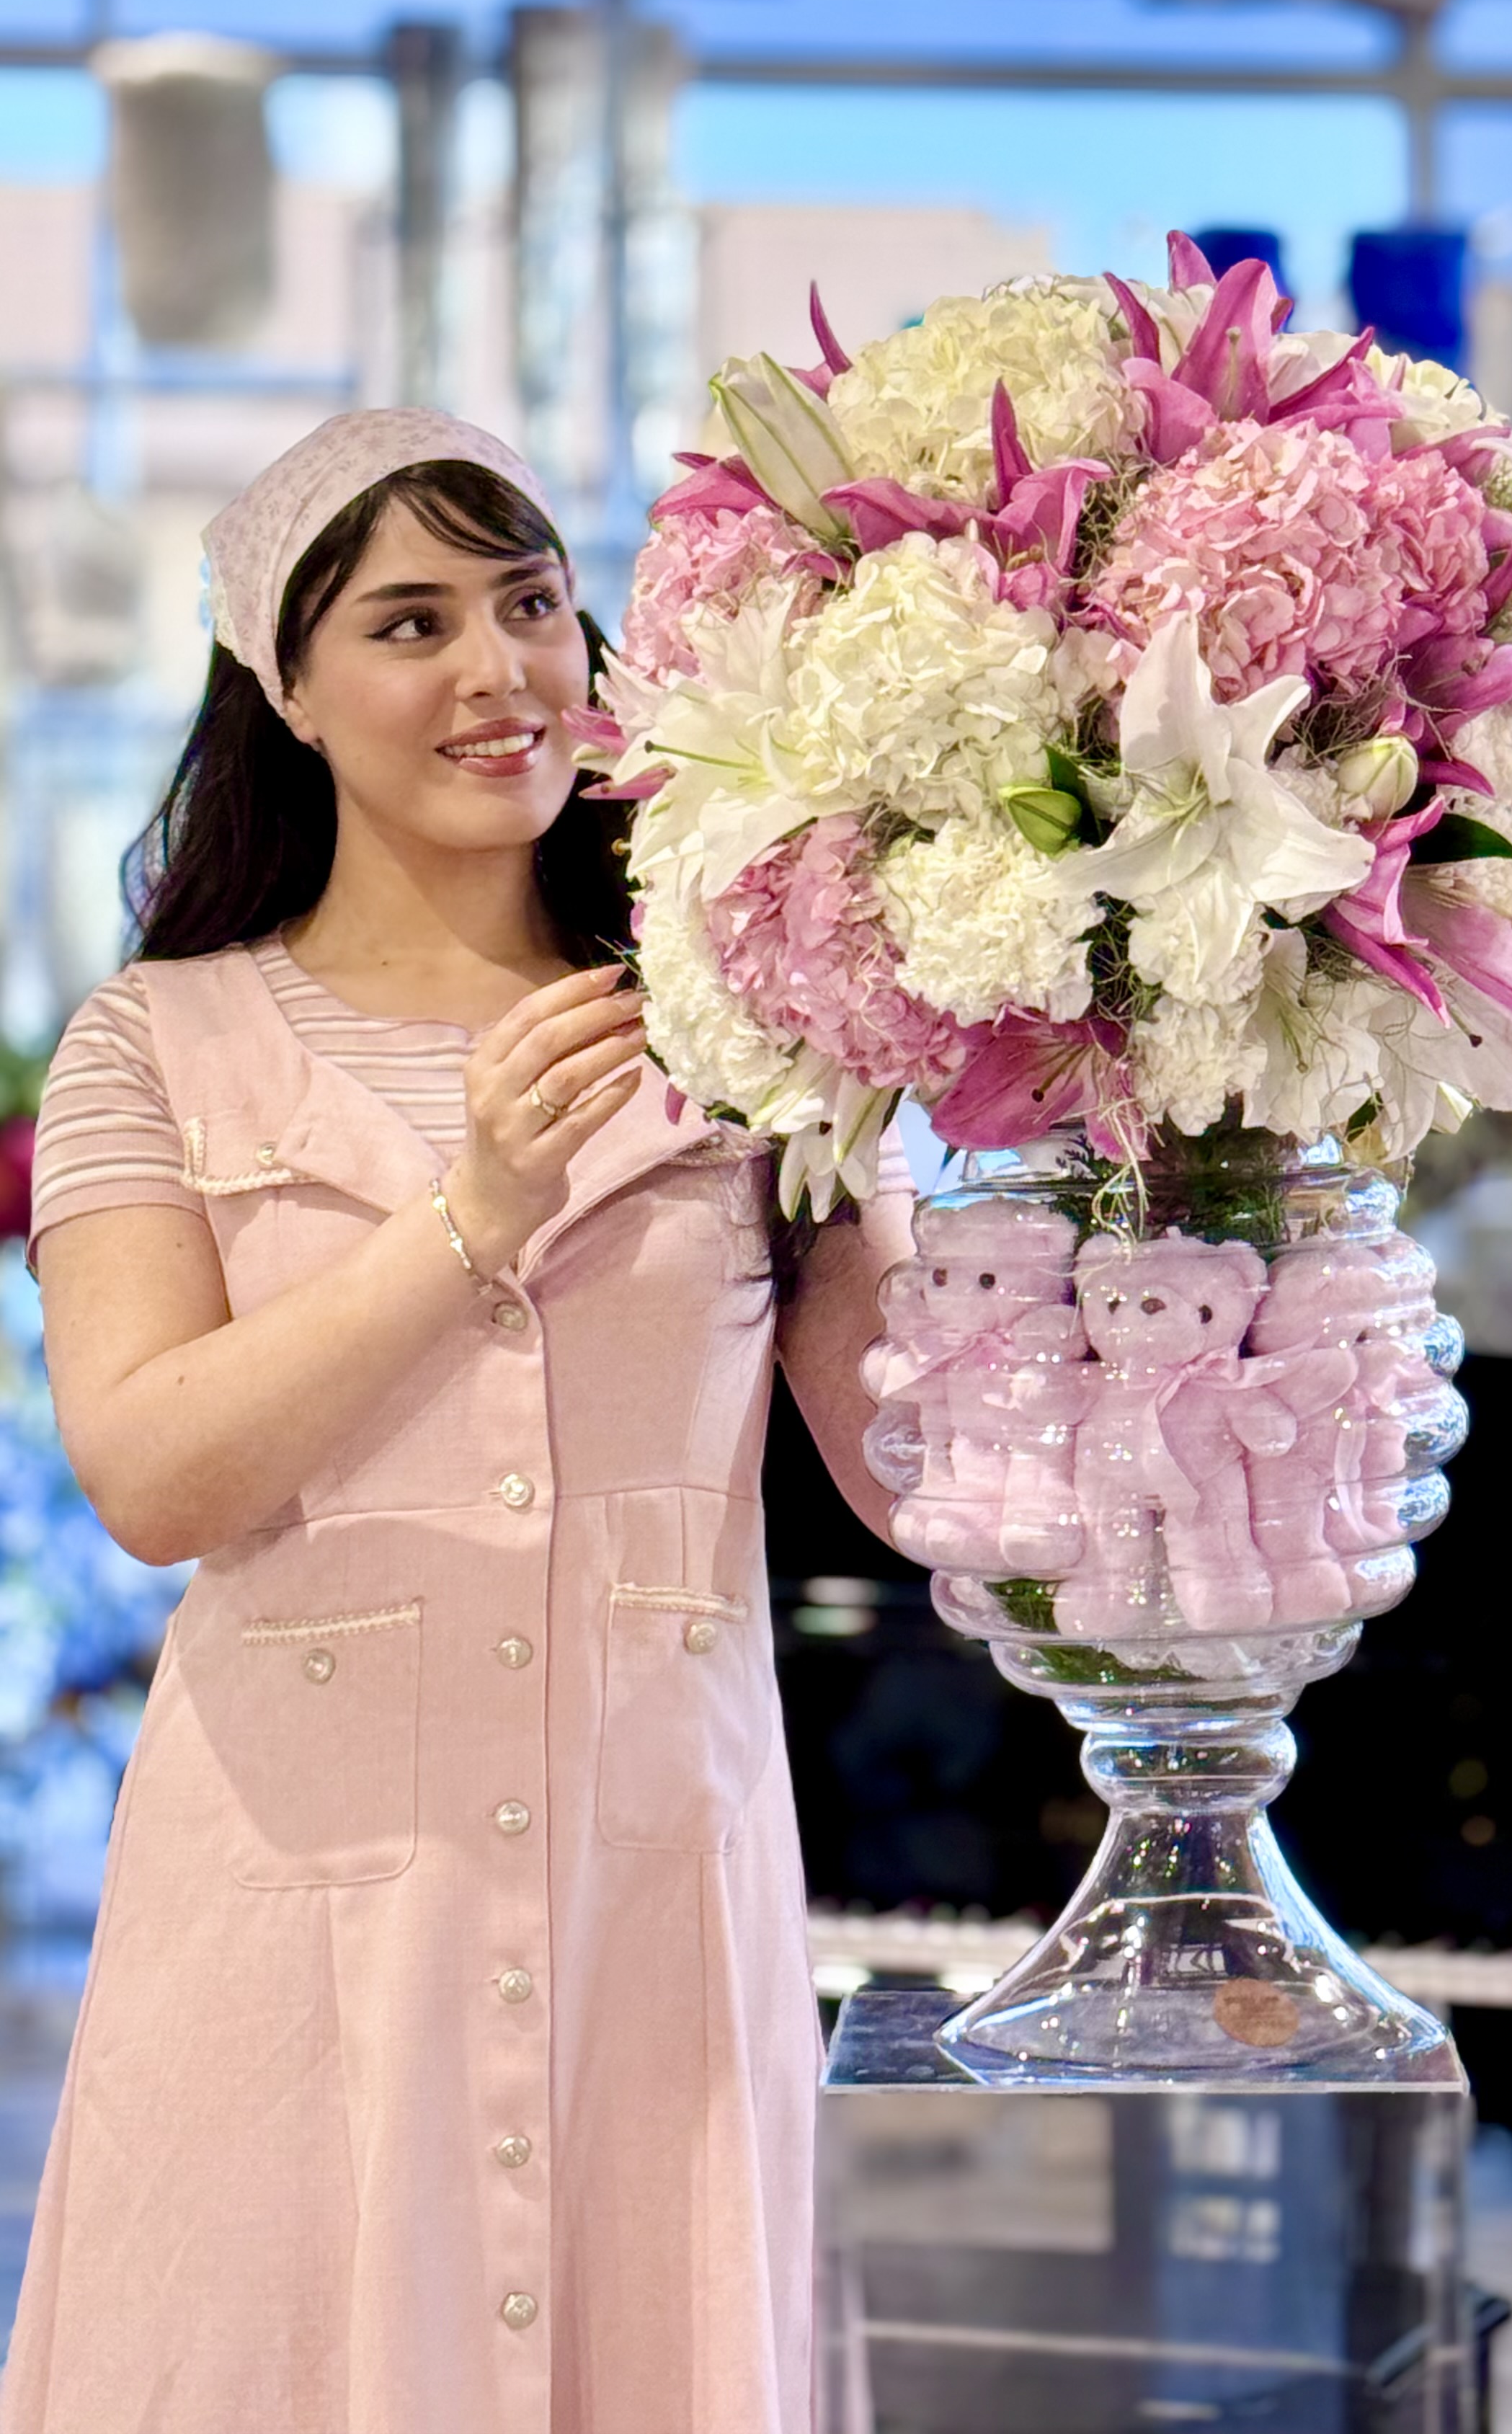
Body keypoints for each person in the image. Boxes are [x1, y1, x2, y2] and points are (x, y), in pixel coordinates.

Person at [1, 409, 910, 2434]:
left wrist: (1000, 1104)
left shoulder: (746, 1032)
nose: (499, 671)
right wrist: (468, 1219)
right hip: (296, 1925)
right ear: (287, 688)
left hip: (657, 1916)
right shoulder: (155, 1043)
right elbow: (151, 1471)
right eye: (411, 623)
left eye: (531, 605)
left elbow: (916, 1476)